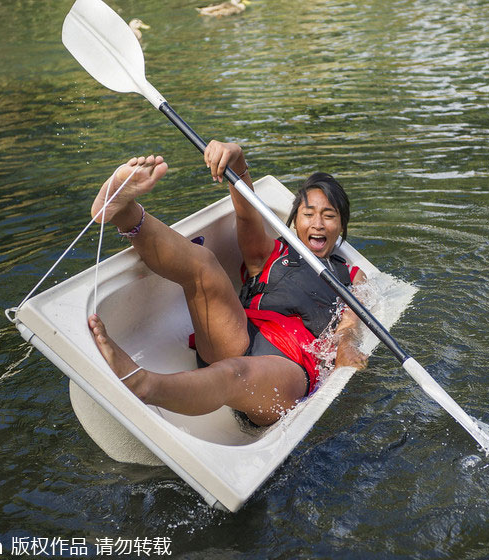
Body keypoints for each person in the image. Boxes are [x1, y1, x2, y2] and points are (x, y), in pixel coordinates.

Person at [87, 141, 367, 426]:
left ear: (341, 226)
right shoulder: (271, 252)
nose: (318, 223)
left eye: (329, 216)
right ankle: (124, 213)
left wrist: (345, 347)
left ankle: (144, 384)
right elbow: (247, 214)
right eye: (308, 214)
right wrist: (238, 161)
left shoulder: (350, 275)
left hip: (291, 366)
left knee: (236, 372)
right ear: (294, 221)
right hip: (239, 335)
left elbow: (350, 324)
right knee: (203, 264)